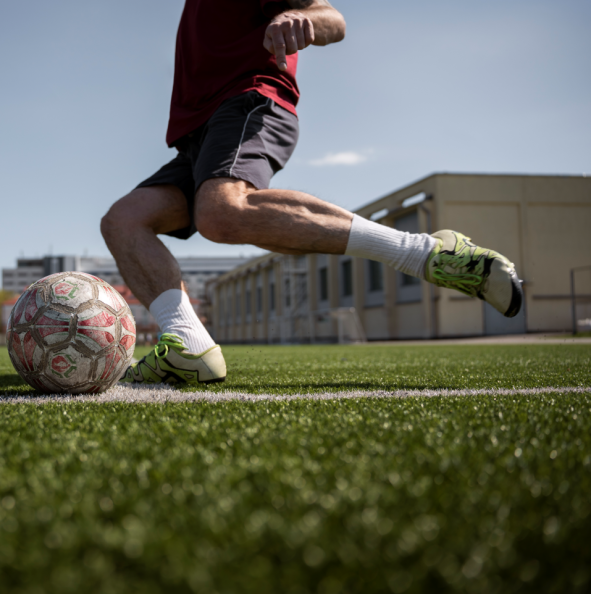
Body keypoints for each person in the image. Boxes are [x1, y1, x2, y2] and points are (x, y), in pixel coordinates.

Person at [102, 0, 522, 385]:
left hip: (249, 99)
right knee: (124, 221)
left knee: (221, 211)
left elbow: (331, 18)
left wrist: (298, 19)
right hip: (199, 134)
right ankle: (188, 347)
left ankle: (428, 253)